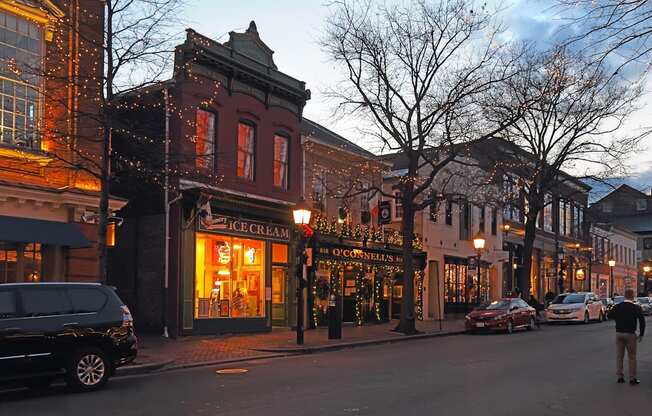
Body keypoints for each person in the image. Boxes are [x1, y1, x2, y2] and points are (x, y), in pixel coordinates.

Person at [611, 288, 645, 385]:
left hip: (619, 333)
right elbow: (642, 322)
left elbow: (610, 315)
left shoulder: (618, 306)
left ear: (624, 296)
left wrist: (618, 320)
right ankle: (632, 378)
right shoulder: (636, 308)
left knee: (619, 356)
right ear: (633, 296)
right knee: (632, 357)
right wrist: (641, 334)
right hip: (630, 334)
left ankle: (620, 377)